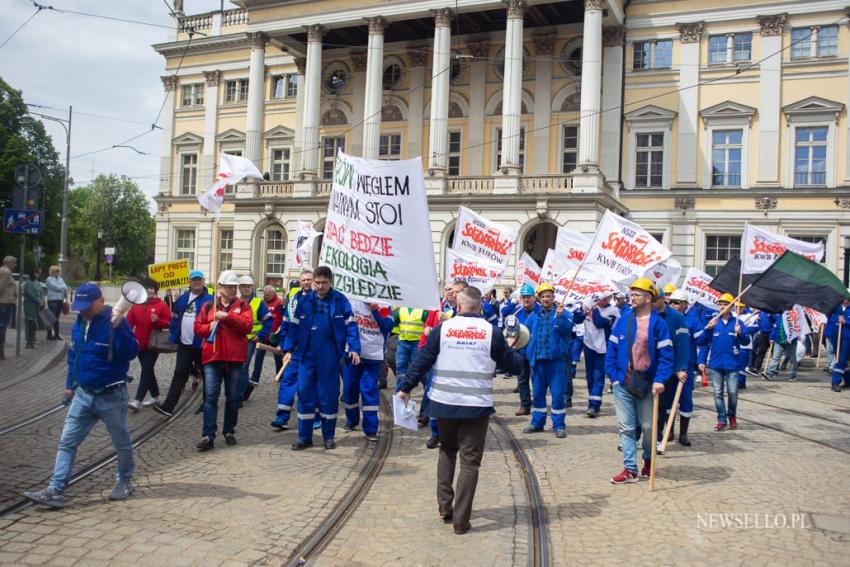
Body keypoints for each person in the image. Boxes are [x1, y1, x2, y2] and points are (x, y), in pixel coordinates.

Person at [398, 286, 523, 534]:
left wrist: (405, 388)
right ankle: (461, 520)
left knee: (447, 450)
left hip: (443, 403)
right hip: (475, 408)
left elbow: (422, 360)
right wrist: (513, 346)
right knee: (470, 463)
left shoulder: (442, 329)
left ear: (458, 306)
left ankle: (445, 505)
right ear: (481, 307)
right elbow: (515, 367)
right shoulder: (492, 332)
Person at [23, 283, 139, 508]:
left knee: (121, 442)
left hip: (112, 395)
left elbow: (131, 353)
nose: (83, 310)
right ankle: (55, 490)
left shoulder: (115, 322)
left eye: (87, 306)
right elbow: (74, 355)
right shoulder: (78, 323)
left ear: (101, 302)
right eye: (81, 306)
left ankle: (125, 480)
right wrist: (70, 385)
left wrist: (122, 329)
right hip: (84, 394)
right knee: (67, 442)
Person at [282, 266, 361, 450]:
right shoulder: (304, 300)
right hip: (306, 356)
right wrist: (288, 349)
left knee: (328, 396)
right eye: (317, 282)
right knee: (305, 395)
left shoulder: (339, 300)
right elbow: (294, 326)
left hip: (330, 356)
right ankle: (304, 437)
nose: (319, 286)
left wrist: (354, 347)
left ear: (330, 282)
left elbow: (350, 324)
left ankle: (328, 437)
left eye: (324, 283)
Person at [606, 278, 674, 484]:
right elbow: (612, 350)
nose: (632, 297)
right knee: (626, 428)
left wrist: (661, 379)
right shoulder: (624, 319)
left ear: (648, 298)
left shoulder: (658, 324)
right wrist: (614, 377)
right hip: (623, 383)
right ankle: (629, 469)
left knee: (648, 427)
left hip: (647, 383)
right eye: (631, 294)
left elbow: (666, 356)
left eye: (636, 294)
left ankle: (648, 461)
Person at [193, 270, 253, 450]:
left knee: (233, 397)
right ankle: (208, 435)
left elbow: (247, 326)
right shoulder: (207, 306)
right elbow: (197, 328)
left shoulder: (243, 306)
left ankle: (229, 430)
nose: (233, 290)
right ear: (220, 288)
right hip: (212, 357)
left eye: (235, 287)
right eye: (229, 287)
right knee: (210, 397)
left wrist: (229, 317)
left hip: (234, 358)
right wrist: (208, 327)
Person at [153, 271, 213, 417]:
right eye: (194, 280)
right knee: (179, 373)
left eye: (199, 280)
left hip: (202, 345)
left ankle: (207, 405)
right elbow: (174, 318)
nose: (197, 282)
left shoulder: (210, 300)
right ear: (189, 282)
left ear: (203, 281)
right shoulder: (182, 299)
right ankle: (168, 406)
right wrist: (175, 334)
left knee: (207, 375)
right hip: (185, 344)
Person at [523, 282, 574, 439]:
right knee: (538, 394)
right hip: (538, 361)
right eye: (543, 296)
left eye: (548, 296)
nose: (546, 299)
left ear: (553, 297)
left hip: (556, 361)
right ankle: (537, 423)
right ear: (539, 298)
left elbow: (568, 331)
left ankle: (558, 425)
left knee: (558, 394)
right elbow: (524, 332)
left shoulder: (563, 313)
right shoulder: (534, 315)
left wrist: (559, 318)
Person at [695, 293, 750, 431]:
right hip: (716, 364)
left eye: (726, 304)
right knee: (718, 393)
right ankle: (721, 419)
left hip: (732, 363)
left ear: (731, 307)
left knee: (732, 392)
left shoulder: (738, 323)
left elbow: (746, 341)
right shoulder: (713, 322)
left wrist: (740, 333)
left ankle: (732, 415)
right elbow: (702, 343)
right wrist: (707, 329)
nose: (722, 307)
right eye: (720, 304)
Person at [342, 300, 394, 441]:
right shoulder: (352, 302)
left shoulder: (383, 306)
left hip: (373, 356)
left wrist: (375, 311)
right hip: (352, 355)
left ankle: (371, 429)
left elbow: (388, 326)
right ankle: (352, 420)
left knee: (369, 391)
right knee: (349, 390)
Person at [271, 269, 313, 430]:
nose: (306, 282)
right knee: (288, 381)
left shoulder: (319, 299)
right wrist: (284, 345)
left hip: (312, 350)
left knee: (308, 384)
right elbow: (286, 324)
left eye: (309, 279)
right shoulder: (294, 300)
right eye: (304, 280)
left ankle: (313, 416)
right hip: (294, 350)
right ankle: (282, 416)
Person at [126, 278, 172, 411]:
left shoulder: (161, 305)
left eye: (152, 288)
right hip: (139, 344)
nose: (150, 290)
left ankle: (137, 400)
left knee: (145, 372)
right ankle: (155, 395)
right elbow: (129, 324)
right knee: (148, 370)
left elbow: (169, 324)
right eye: (147, 287)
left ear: (155, 290)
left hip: (153, 345)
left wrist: (158, 321)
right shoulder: (136, 305)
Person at [652, 288, 689, 450]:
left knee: (660, 405)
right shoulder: (642, 314)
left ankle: (659, 437)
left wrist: (680, 367)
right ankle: (636, 436)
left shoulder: (677, 318)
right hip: (645, 367)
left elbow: (682, 345)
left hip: (665, 367)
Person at [666, 289, 698, 446]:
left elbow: (703, 339)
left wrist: (709, 329)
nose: (673, 305)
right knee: (668, 400)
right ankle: (669, 431)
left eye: (677, 302)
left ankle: (683, 434)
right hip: (668, 366)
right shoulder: (666, 319)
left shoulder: (692, 320)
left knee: (685, 400)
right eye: (671, 302)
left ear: (686, 305)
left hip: (686, 367)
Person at [505, 284, 539, 416]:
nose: (526, 300)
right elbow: (511, 331)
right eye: (524, 297)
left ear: (534, 298)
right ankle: (525, 405)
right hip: (521, 351)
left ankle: (538, 404)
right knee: (522, 379)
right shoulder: (517, 313)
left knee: (537, 379)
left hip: (536, 351)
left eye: (528, 297)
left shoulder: (540, 311)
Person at [583, 294, 619, 418]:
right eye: (599, 298)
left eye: (605, 298)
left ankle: (594, 405)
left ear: (609, 298)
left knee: (598, 375)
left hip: (603, 348)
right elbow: (577, 319)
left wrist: (593, 309)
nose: (601, 301)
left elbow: (599, 323)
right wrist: (582, 309)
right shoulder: (588, 304)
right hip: (589, 345)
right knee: (589, 377)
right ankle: (591, 401)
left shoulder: (614, 311)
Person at [238, 274, 272, 403]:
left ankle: (239, 397)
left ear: (252, 288)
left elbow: (269, 321)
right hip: (237, 339)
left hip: (251, 340)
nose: (246, 289)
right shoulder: (235, 301)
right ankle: (247, 386)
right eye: (243, 287)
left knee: (243, 366)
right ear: (239, 288)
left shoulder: (259, 303)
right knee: (236, 367)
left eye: (248, 287)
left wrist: (261, 335)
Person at [250, 285, 283, 386]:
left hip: (275, 335)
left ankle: (280, 377)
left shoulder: (279, 303)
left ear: (273, 294)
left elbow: (283, 319)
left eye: (268, 295)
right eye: (265, 295)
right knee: (258, 358)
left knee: (278, 358)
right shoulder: (262, 303)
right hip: (263, 335)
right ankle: (255, 379)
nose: (266, 296)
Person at [393, 305, 429, 389]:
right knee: (400, 368)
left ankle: (427, 392)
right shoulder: (401, 309)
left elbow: (429, 324)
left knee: (420, 369)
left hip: (417, 343)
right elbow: (393, 322)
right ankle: (400, 393)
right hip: (403, 342)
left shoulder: (422, 311)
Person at [829, 295, 850, 392]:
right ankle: (848, 380)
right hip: (835, 336)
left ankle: (835, 382)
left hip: (847, 338)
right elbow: (830, 319)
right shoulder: (836, 307)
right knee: (840, 359)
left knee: (840, 359)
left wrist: (846, 321)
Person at [0, 256, 17, 359]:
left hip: (6, 303)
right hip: (4, 303)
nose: (15, 265)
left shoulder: (6, 272)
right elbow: (1, 287)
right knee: (2, 326)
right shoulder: (5, 272)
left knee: (3, 326)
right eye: (14, 263)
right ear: (8, 262)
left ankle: (1, 351)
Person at [45, 265, 68, 340]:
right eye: (56, 271)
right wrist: (62, 288)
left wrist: (62, 288)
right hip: (52, 300)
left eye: (58, 271)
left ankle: (56, 334)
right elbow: (56, 288)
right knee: (52, 318)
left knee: (57, 318)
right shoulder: (49, 279)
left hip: (60, 299)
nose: (58, 272)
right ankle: (49, 334)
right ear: (52, 271)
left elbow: (65, 286)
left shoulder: (60, 279)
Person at [23, 268, 44, 349]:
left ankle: (32, 340)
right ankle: (29, 340)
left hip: (37, 306)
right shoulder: (28, 282)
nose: (38, 275)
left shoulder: (38, 282)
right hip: (30, 305)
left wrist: (42, 300)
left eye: (39, 273)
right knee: (30, 322)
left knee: (34, 324)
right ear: (33, 273)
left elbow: (42, 292)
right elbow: (29, 293)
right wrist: (38, 300)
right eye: (37, 273)